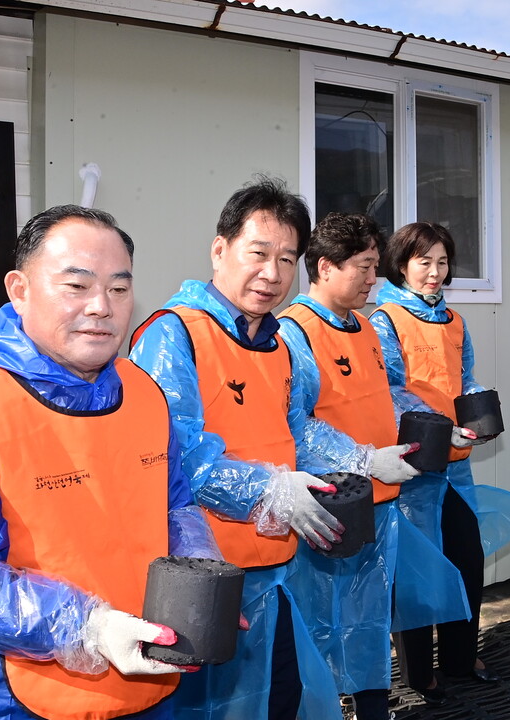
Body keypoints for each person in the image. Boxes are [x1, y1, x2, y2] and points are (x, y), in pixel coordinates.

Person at [0, 205, 224, 720]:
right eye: (76, 286)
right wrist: (90, 627)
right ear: (19, 289)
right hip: (22, 698)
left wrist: (200, 586)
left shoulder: (144, 394)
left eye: (119, 289)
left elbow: (174, 505)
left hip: (154, 675)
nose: (102, 307)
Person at [128, 179, 342, 719]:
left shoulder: (279, 344)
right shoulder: (172, 334)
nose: (272, 274)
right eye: (259, 253)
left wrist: (364, 460)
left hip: (275, 566)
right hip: (207, 582)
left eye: (288, 259)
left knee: (280, 697)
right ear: (219, 249)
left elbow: (300, 431)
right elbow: (177, 458)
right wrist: (273, 488)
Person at [278, 212, 470, 720]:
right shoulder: (294, 334)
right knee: (321, 620)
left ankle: (374, 707)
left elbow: (388, 398)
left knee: (368, 620)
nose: (373, 279)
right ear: (324, 267)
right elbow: (296, 427)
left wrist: (436, 427)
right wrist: (363, 459)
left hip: (381, 498)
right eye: (363, 268)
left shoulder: (363, 326)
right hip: (330, 504)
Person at [370, 221, 510, 703]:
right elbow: (392, 392)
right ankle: (419, 672)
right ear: (402, 265)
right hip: (415, 462)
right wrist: (441, 428)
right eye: (424, 262)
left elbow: (462, 378)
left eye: (442, 262)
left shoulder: (455, 322)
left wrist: (475, 409)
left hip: (455, 463)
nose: (434, 272)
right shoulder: (386, 320)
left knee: (466, 555)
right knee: (418, 568)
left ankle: (462, 658)